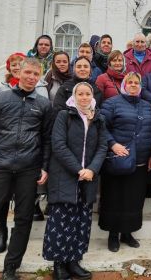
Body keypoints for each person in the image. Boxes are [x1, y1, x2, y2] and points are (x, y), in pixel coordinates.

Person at [0, 58, 52, 280]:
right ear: (19, 72)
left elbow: (46, 139)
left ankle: (10, 268)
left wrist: (44, 166)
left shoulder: (43, 105)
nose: (32, 77)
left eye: (36, 74)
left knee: (23, 220)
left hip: (28, 170)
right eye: (28, 72)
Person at [44, 82, 108, 280]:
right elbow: (58, 145)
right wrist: (79, 169)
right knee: (61, 221)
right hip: (66, 176)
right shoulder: (65, 116)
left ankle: (74, 261)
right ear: (74, 96)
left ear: (92, 96)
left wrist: (92, 169)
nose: (84, 97)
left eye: (87, 94)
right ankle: (59, 264)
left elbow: (103, 146)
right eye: (80, 94)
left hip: (87, 178)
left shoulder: (98, 118)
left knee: (82, 221)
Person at [0, 52, 49, 253]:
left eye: (21, 64)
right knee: (1, 200)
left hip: (28, 156)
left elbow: (45, 124)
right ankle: (1, 231)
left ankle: (16, 243)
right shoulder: (1, 89)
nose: (17, 68)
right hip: (3, 156)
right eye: (15, 65)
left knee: (23, 203)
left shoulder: (40, 89)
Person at [99, 73, 151, 253]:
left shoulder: (146, 106)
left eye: (136, 82)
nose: (132, 85)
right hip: (117, 160)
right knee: (114, 197)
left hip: (140, 161)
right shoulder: (111, 103)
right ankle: (113, 235)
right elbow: (101, 127)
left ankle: (128, 233)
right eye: (129, 82)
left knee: (133, 199)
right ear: (124, 85)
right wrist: (112, 144)